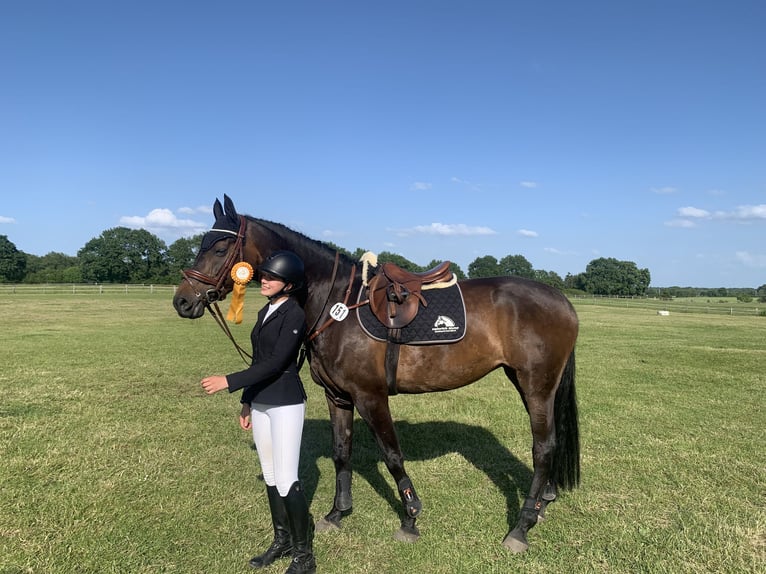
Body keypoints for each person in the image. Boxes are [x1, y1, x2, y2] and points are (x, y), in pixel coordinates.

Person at [200, 250, 316, 574]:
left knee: (286, 478)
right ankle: (282, 540)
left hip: (286, 402)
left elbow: (278, 363)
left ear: (289, 285)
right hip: (262, 401)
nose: (264, 280)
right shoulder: (266, 310)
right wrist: (247, 401)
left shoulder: (295, 314)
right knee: (269, 474)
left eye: (271, 277)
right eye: (263, 275)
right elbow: (259, 362)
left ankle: (304, 556)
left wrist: (229, 381)